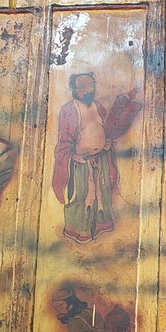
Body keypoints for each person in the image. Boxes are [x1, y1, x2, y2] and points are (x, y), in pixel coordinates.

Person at [51, 71, 141, 243]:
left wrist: (107, 144)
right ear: (75, 89)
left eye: (91, 85)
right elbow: (64, 141)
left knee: (102, 195)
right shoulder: (68, 110)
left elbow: (108, 128)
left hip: (101, 161)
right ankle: (79, 231)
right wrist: (73, 156)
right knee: (80, 198)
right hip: (79, 165)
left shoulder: (98, 106)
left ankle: (101, 227)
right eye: (83, 86)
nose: (88, 90)